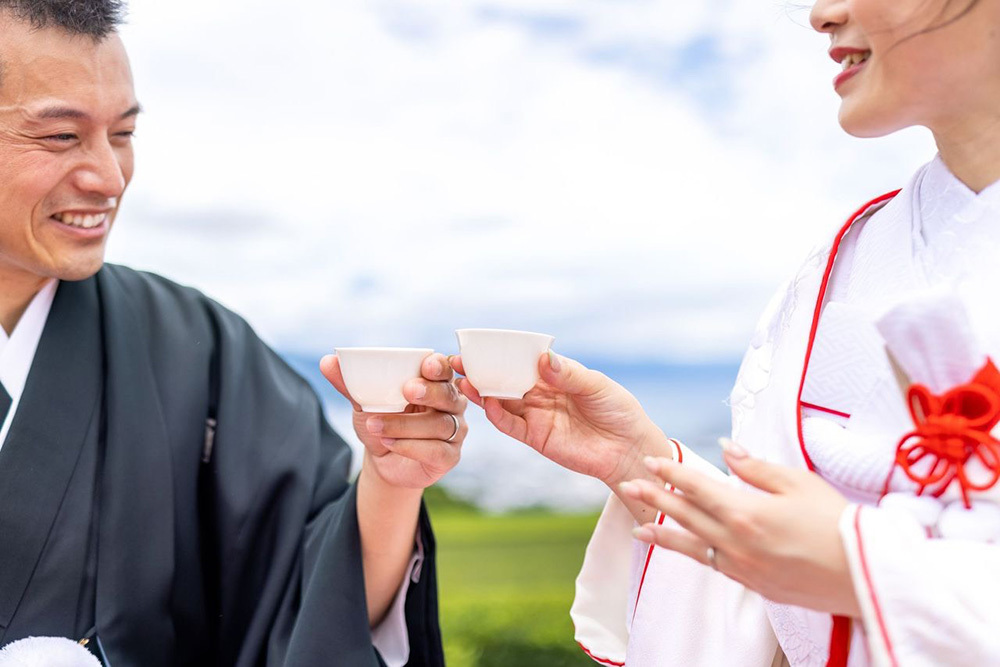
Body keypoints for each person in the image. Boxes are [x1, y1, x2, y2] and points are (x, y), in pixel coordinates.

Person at [456, 0, 1000, 664]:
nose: (823, 13)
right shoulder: (837, 269)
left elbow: (833, 562)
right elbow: (781, 615)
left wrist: (869, 569)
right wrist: (641, 468)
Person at [0, 1, 467, 665]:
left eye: (123, 134)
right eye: (60, 137)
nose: (107, 177)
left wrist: (395, 480)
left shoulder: (193, 346)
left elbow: (308, 599)